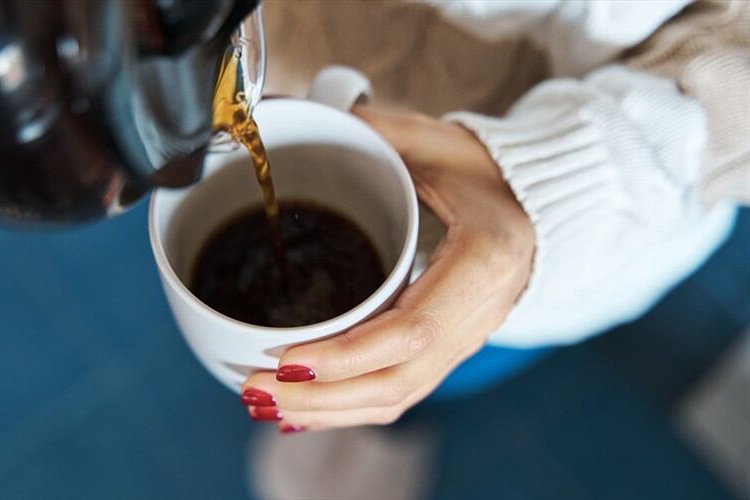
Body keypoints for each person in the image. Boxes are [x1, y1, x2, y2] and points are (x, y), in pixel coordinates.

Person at [240, 1, 748, 496]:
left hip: (578, 228)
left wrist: (559, 179)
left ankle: (389, 420)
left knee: (452, 357)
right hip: (279, 65)